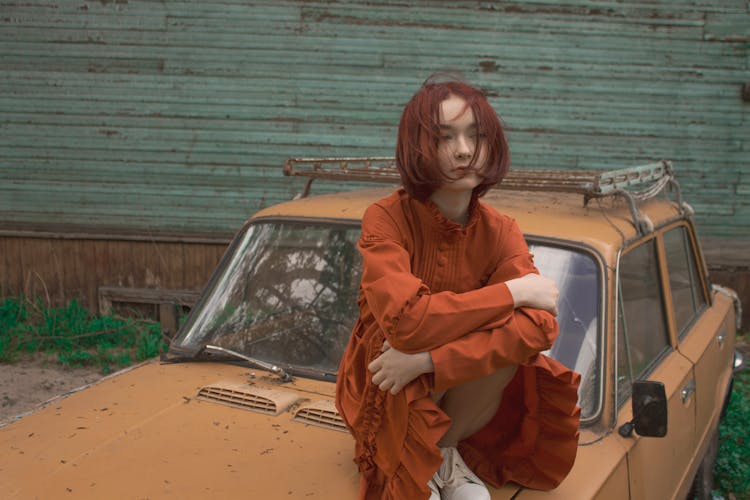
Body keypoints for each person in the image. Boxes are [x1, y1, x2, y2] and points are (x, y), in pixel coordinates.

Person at [335, 74, 581, 500]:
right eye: (444, 137)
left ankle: (443, 454)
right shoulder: (385, 219)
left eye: (476, 136)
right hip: (386, 385)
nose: (465, 151)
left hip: (442, 386)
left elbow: (539, 330)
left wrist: (431, 360)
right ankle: (414, 462)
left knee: (512, 348)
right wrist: (514, 293)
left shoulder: (501, 230)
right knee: (401, 350)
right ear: (417, 146)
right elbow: (408, 325)